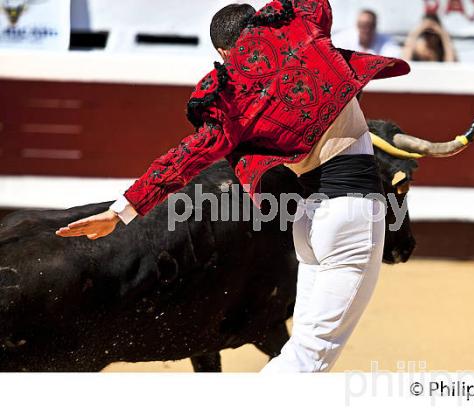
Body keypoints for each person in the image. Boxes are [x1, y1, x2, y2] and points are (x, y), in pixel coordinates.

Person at [56, 0, 410, 372]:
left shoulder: (233, 96)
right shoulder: (303, 30)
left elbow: (182, 159)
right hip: (350, 214)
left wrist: (120, 212)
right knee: (308, 359)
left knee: (305, 350)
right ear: (260, 24)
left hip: (310, 223)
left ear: (223, 52)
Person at [335, 9, 401, 58]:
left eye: (370, 25)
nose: (366, 29)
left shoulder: (386, 41)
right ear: (357, 25)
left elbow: (394, 57)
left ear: (375, 25)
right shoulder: (342, 38)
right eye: (362, 25)